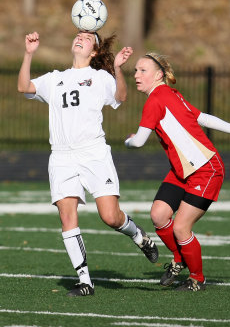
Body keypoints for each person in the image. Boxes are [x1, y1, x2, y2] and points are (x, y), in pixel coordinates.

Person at [18, 31, 158, 297]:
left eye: (87, 37)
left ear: (94, 52)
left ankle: (137, 234)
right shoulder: (55, 78)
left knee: (110, 216)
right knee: (67, 216)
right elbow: (24, 87)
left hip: (93, 153)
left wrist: (117, 69)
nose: (79, 38)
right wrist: (28, 54)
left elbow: (121, 97)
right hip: (61, 156)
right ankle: (85, 282)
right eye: (78, 35)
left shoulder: (100, 77)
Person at [125, 52, 230, 292]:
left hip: (206, 169)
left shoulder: (157, 99)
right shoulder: (170, 93)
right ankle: (180, 259)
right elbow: (202, 117)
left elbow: (138, 142)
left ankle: (197, 278)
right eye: (135, 70)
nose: (136, 75)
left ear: (158, 75)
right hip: (182, 171)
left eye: (142, 70)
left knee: (180, 228)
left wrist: (129, 140)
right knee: (158, 215)